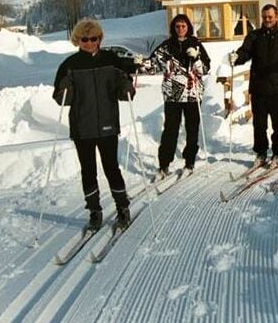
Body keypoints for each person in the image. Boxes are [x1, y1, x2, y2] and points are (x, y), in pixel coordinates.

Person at [52, 18, 138, 231]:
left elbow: (122, 86)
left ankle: (122, 207)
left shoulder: (111, 60)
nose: (90, 43)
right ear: (77, 40)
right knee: (88, 170)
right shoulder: (69, 65)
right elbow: (61, 97)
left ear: (99, 39)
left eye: (94, 39)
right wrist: (63, 90)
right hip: (82, 127)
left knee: (111, 168)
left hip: (108, 123)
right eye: (85, 39)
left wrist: (127, 87)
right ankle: (94, 211)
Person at [228, 4, 278, 168]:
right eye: (264, 17)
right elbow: (245, 52)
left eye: (270, 17)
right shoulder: (254, 36)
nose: (267, 20)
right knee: (259, 125)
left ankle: (277, 153)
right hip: (259, 88)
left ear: (276, 17)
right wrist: (236, 58)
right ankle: (261, 153)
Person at [151, 14, 212, 177]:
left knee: (192, 128)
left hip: (192, 94)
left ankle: (189, 161)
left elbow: (205, 69)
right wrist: (136, 64)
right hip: (173, 95)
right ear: (173, 28)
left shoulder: (196, 44)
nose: (180, 29)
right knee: (170, 129)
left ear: (188, 27)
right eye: (177, 26)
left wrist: (196, 58)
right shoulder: (166, 46)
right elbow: (153, 64)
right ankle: (164, 164)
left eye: (183, 26)